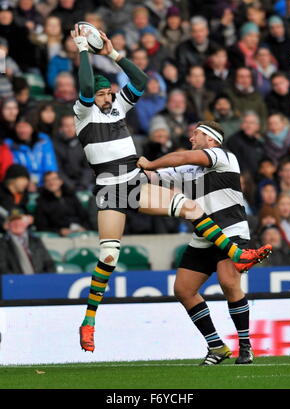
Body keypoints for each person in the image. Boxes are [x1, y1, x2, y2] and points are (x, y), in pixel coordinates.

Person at [71, 26, 271, 353]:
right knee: (108, 255)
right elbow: (84, 86)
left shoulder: (119, 107)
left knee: (191, 208)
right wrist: (82, 50)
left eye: (108, 92)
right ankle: (89, 320)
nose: (106, 97)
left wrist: (112, 54)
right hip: (110, 189)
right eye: (101, 93)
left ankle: (236, 253)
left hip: (133, 179)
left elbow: (141, 81)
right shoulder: (83, 113)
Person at [137, 120, 272, 365]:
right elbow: (151, 177)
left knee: (228, 283)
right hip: (203, 236)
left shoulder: (223, 156)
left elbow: (177, 159)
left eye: (196, 134)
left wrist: (151, 162)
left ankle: (245, 346)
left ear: (211, 140)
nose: (192, 138)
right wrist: (123, 169)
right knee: (183, 290)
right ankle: (216, 346)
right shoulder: (187, 171)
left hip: (230, 231)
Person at [35, 171, 91, 236]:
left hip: (80, 231)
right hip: (59, 237)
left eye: (54, 179)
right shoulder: (42, 202)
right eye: (47, 181)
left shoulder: (71, 196)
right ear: (44, 184)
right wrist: (59, 231)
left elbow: (84, 216)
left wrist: (84, 227)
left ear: (61, 181)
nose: (51, 183)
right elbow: (40, 226)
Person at [0, 210, 56, 275]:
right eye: (13, 221)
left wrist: (45, 280)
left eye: (19, 220)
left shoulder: (36, 241)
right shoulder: (2, 243)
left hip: (40, 280)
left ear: (26, 223)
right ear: (7, 225)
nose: (17, 223)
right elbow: (2, 268)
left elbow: (49, 264)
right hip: (16, 282)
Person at [53, 114, 93, 191]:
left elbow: (88, 167)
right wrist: (70, 185)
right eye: (66, 126)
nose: (70, 129)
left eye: (73, 125)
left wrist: (83, 183)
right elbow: (58, 169)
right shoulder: (55, 145)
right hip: (65, 186)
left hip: (85, 184)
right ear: (60, 128)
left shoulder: (84, 142)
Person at [0, 164, 30, 232]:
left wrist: (29, 218)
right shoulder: (2, 194)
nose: (26, 182)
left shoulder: (24, 195)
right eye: (23, 178)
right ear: (12, 179)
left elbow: (22, 212)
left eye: (27, 179)